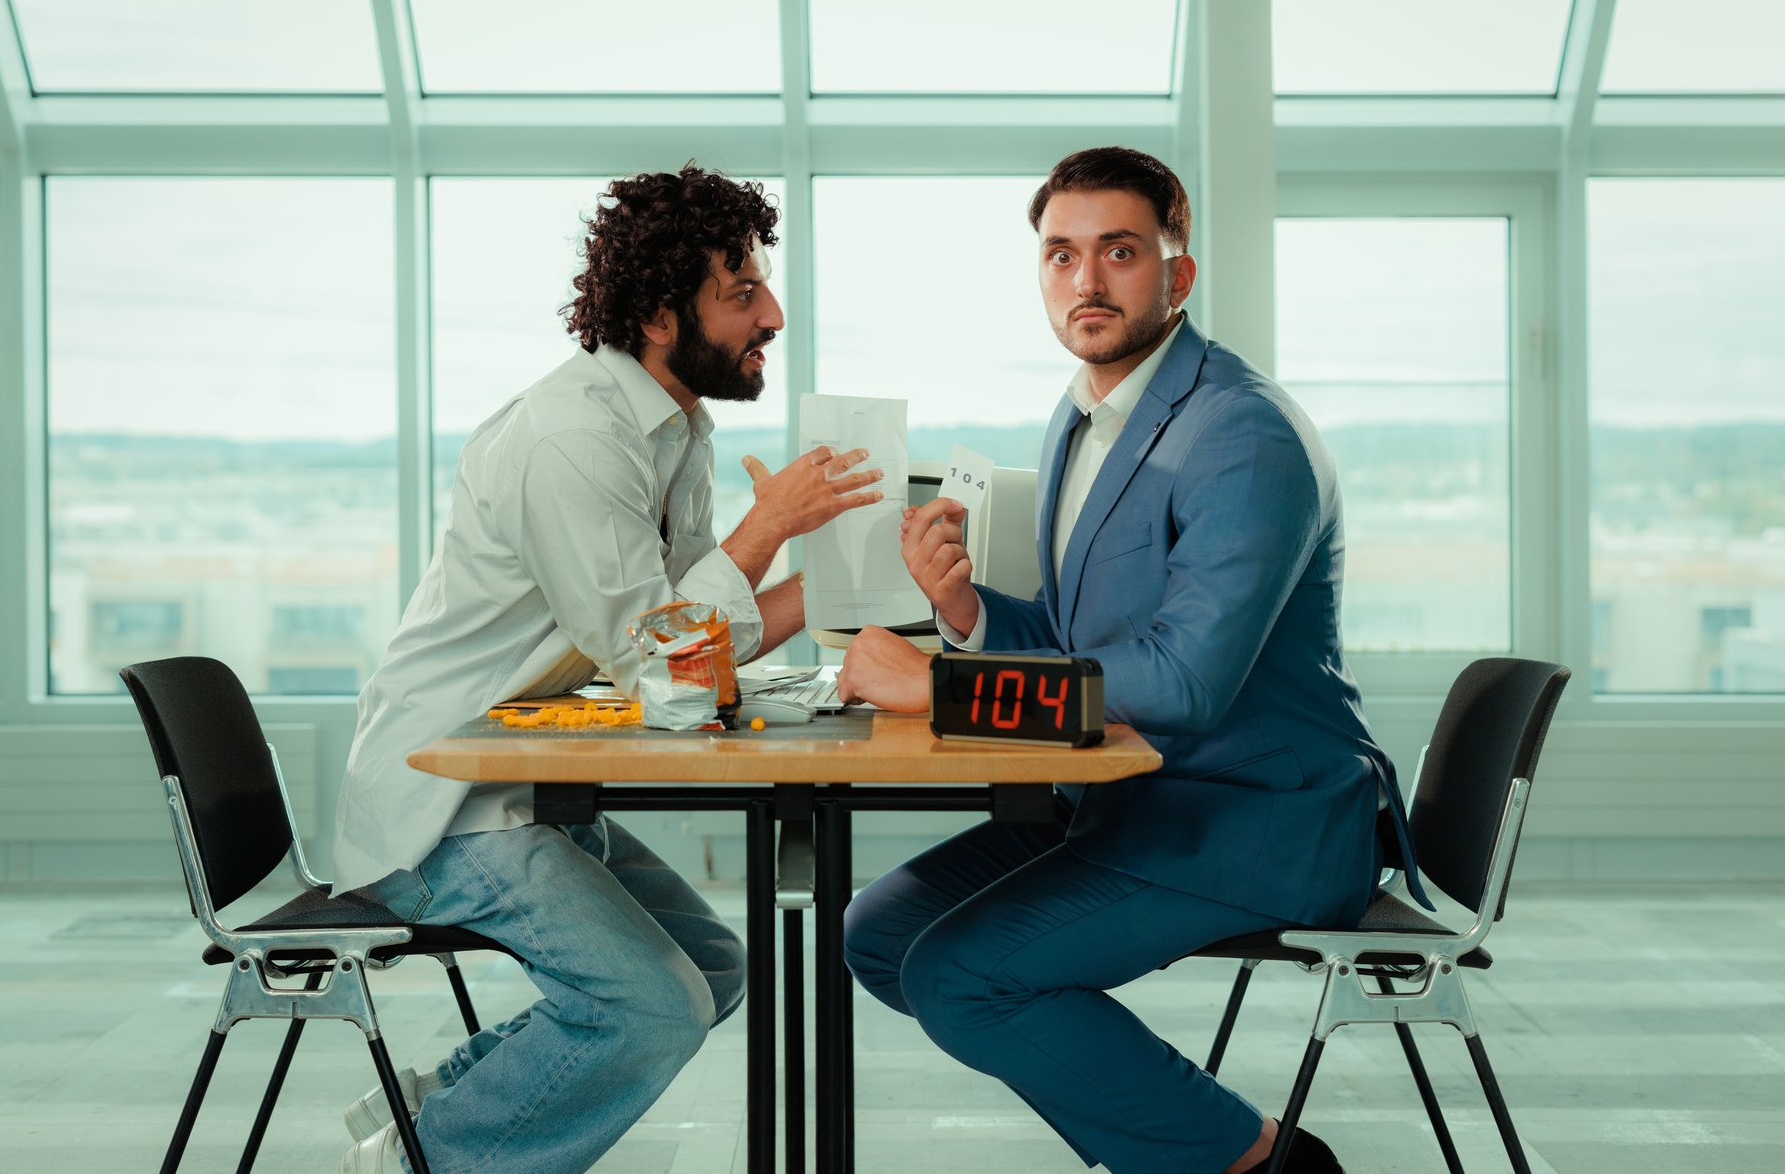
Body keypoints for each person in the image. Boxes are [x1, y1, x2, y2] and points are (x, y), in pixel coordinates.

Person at [834, 146, 1426, 1174]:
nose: (1086, 280)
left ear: (1176, 274)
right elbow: (1081, 642)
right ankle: (1181, 1153)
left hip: (1250, 819)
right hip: (1120, 800)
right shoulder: (1084, 416)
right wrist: (966, 612)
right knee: (881, 933)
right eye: (1060, 255)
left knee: (963, 977)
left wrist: (939, 686)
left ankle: (1269, 1164)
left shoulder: (1240, 433)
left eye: (1118, 251)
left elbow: (1185, 682)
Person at [330, 164, 884, 1173]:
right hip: (444, 803)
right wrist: (765, 530)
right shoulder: (573, 438)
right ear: (659, 315)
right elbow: (656, 658)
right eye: (740, 291)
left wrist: (850, 580)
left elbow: (688, 649)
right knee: (653, 1007)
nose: (773, 312)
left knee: (714, 966)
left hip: (526, 782)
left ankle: (442, 1109)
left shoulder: (675, 431)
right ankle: (430, 1158)